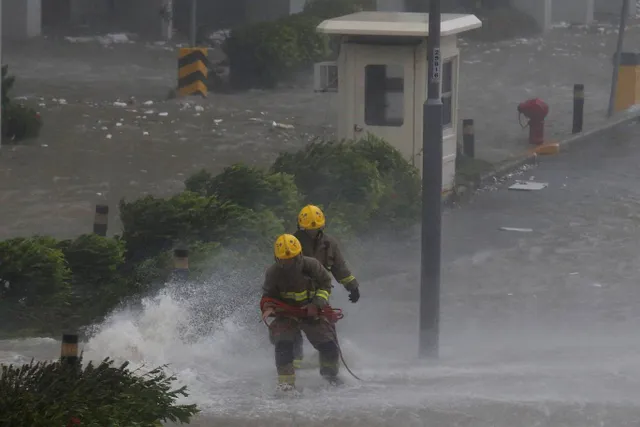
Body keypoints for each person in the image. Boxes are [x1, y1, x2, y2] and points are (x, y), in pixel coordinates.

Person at [261, 233, 342, 392]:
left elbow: (326, 285)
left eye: (291, 259)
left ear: (299, 255)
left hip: (312, 311)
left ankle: (331, 378)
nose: (288, 263)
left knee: (329, 346)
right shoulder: (273, 273)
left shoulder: (312, 266)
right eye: (283, 260)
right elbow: (268, 295)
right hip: (286, 314)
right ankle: (286, 386)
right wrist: (268, 307)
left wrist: (316, 304)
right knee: (283, 345)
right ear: (277, 259)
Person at [290, 204, 360, 367]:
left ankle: (330, 376)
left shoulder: (330, 244)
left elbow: (340, 268)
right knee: (290, 332)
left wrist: (352, 286)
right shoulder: (293, 242)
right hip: (292, 295)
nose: (312, 232)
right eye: (308, 230)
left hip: (318, 295)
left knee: (326, 335)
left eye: (314, 230)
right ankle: (294, 369)